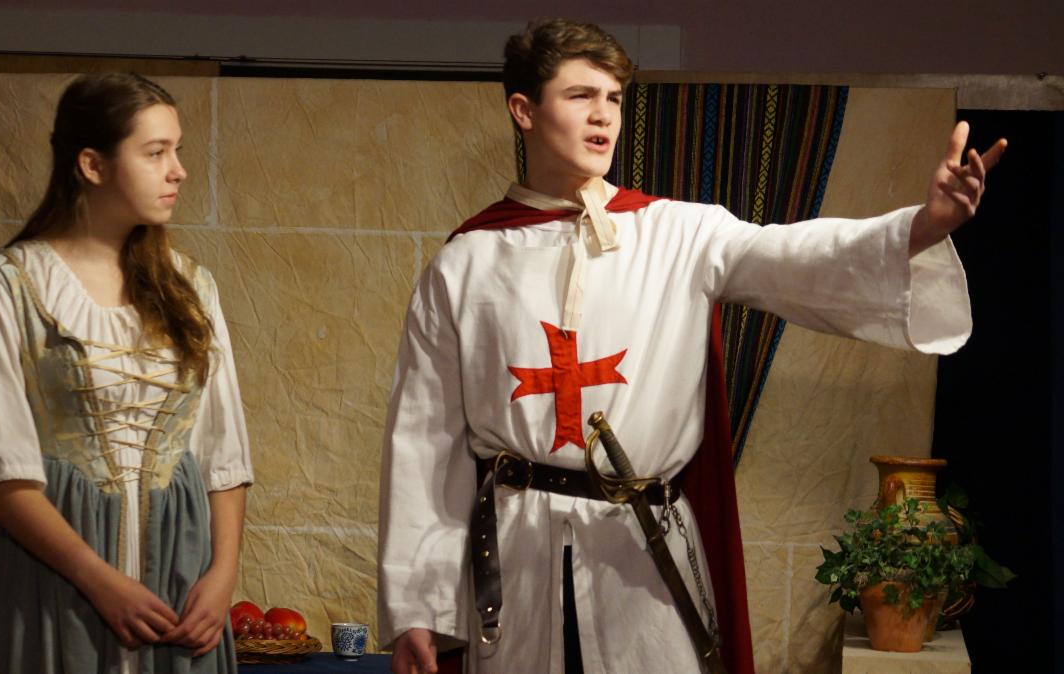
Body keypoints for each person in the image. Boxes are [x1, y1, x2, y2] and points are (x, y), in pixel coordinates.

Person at [377, 18, 1005, 674]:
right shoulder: (466, 264)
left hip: (643, 561)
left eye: (614, 98)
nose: (603, 115)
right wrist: (418, 608)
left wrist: (923, 227)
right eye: (579, 95)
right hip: (517, 561)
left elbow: (798, 256)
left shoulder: (678, 234)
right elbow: (425, 441)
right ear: (524, 110)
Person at [0, 73, 252, 673]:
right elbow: (0, 475)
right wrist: (99, 580)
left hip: (179, 576)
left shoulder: (191, 288)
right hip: (55, 581)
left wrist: (222, 576)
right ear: (92, 165)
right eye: (156, 152)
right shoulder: (10, 287)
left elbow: (223, 456)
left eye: (178, 150)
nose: (178, 171)